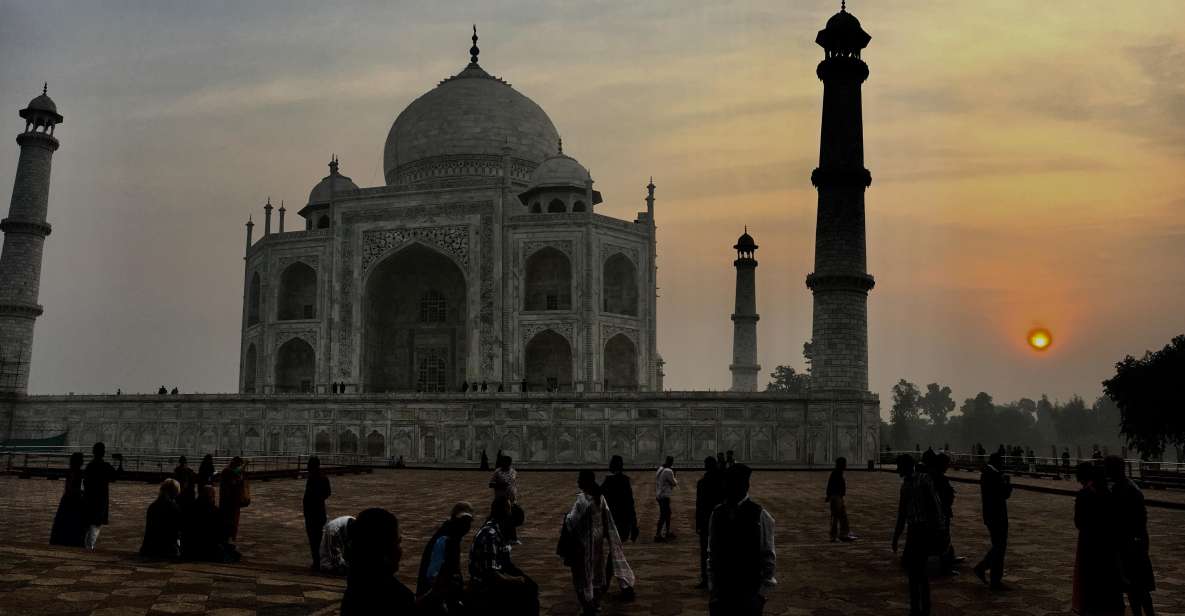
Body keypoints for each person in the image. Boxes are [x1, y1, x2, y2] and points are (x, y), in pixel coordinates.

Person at [563, 470, 637, 615]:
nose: (577, 482)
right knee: (596, 572)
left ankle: (588, 608)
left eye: (580, 479)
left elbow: (572, 522)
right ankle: (596, 604)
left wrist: (566, 517)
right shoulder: (599, 497)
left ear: (586, 481)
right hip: (597, 541)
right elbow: (607, 519)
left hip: (584, 542)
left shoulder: (583, 500)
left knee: (581, 575)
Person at [707, 464, 776, 616]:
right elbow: (712, 553)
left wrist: (761, 594)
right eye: (727, 483)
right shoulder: (717, 513)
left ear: (744, 485)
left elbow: (768, 557)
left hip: (749, 592)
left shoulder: (760, 515)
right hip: (722, 592)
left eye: (732, 484)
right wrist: (713, 588)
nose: (727, 488)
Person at [469, 496, 540, 616]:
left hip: (495, 577)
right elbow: (490, 574)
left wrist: (522, 578)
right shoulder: (490, 535)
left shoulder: (498, 531)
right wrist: (515, 580)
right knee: (527, 597)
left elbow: (505, 563)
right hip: (484, 585)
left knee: (531, 587)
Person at [892, 454, 944, 616]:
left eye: (899, 466)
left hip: (923, 529)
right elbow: (902, 513)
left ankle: (922, 608)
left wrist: (938, 528)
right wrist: (896, 535)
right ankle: (917, 608)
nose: (898, 469)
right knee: (914, 571)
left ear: (907, 466)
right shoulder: (908, 484)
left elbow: (935, 505)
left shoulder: (922, 480)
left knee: (919, 571)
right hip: (914, 530)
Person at [1104, 456, 1156, 615]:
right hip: (1134, 542)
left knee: (1136, 587)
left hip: (1131, 544)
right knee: (1138, 588)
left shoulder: (1124, 490)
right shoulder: (1128, 487)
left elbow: (1134, 520)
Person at [341, 508, 416, 615]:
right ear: (385, 552)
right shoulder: (395, 595)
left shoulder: (357, 582)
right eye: (398, 543)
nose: (400, 550)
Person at [1072, 462, 1124, 615]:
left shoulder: (1084, 494)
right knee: (1108, 576)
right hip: (1107, 542)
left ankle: (1091, 607)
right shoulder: (1109, 494)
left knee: (1090, 577)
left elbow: (1079, 522)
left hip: (1089, 542)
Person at [416, 502, 475, 614]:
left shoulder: (452, 536)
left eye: (468, 522)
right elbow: (433, 578)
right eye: (461, 521)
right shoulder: (444, 540)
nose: (465, 526)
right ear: (453, 519)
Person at [974, 451, 1012, 590]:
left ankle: (995, 579)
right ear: (999, 462)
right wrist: (1007, 483)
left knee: (998, 545)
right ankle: (984, 568)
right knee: (1000, 546)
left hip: (991, 514)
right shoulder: (994, 475)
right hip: (997, 515)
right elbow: (1004, 494)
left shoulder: (987, 473)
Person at [182, 485, 239, 562]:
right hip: (207, 548)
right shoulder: (215, 511)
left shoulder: (189, 507)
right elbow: (222, 532)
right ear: (211, 497)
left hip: (190, 548)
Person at [83, 442, 121, 550]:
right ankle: (89, 546)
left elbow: (85, 482)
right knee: (96, 523)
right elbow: (115, 477)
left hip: (89, 498)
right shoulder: (105, 466)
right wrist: (120, 463)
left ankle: (85, 545)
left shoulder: (90, 466)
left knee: (88, 523)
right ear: (103, 452)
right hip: (100, 499)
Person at [696, 455, 726, 588]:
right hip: (721, 521)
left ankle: (706, 578)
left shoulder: (703, 482)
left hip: (707, 521)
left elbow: (700, 505)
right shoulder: (723, 481)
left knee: (706, 552)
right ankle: (720, 578)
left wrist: (698, 523)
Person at [931, 453, 961, 573]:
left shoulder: (934, 476)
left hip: (939, 512)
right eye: (946, 463)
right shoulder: (939, 478)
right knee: (943, 538)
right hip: (941, 512)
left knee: (944, 537)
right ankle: (945, 565)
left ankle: (948, 558)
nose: (948, 466)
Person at [50, 452, 87, 547]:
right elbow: (69, 488)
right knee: (72, 522)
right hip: (73, 501)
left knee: (66, 523)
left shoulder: (73, 471)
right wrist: (81, 492)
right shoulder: (75, 472)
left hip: (69, 500)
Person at [140, 478, 182, 559]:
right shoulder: (174, 507)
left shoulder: (153, 506)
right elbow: (177, 530)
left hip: (150, 546)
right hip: (167, 548)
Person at [601, 455, 639, 543]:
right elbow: (630, 504)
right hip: (623, 520)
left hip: (612, 518)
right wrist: (634, 525)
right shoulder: (624, 480)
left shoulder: (608, 481)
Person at [304, 456, 332, 571]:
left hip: (312, 513)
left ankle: (317, 562)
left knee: (313, 538)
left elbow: (308, 495)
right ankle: (319, 561)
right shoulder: (324, 477)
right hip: (320, 511)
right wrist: (320, 499)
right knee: (319, 538)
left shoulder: (312, 478)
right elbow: (328, 493)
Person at [490, 455, 520, 543]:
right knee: (497, 518)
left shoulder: (513, 471)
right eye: (504, 462)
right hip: (500, 499)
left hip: (511, 499)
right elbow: (491, 484)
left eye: (508, 463)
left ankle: (512, 538)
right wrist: (500, 485)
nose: (506, 464)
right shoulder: (497, 472)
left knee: (510, 519)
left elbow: (512, 484)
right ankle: (495, 536)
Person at [826, 457, 857, 543]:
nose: (845, 465)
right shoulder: (836, 473)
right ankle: (834, 536)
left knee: (842, 516)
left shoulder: (838, 473)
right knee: (836, 517)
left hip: (838, 497)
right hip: (836, 497)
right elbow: (831, 485)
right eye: (844, 464)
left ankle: (844, 534)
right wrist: (829, 495)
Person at [219, 456, 246, 541]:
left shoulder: (227, 470)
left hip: (227, 499)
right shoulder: (229, 472)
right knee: (231, 518)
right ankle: (230, 535)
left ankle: (228, 535)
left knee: (228, 518)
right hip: (231, 499)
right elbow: (234, 483)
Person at [654, 456, 678, 542]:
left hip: (659, 494)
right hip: (664, 496)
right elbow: (674, 483)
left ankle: (666, 532)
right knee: (664, 515)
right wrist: (675, 475)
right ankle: (658, 534)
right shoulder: (668, 471)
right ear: (671, 462)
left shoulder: (660, 469)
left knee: (667, 514)